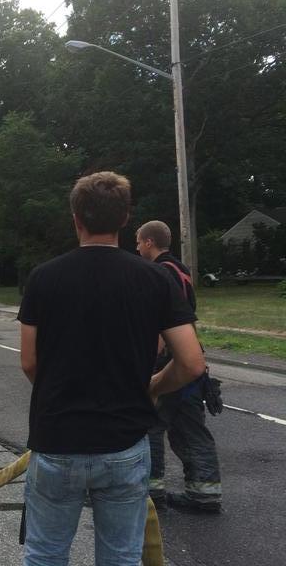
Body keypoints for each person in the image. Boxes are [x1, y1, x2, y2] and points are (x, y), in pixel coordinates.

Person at [17, 171, 206, 565]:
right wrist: (152, 386)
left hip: (57, 439)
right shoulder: (155, 279)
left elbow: (30, 362)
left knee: (45, 553)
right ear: (124, 219)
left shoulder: (43, 278)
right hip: (124, 442)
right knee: (121, 556)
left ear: (76, 219)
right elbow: (191, 362)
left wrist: (57, 390)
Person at [136, 220, 223, 513]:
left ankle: (152, 492)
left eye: (138, 242)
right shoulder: (181, 269)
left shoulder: (159, 273)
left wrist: (152, 365)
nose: (136, 248)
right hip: (189, 357)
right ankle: (204, 493)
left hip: (171, 360)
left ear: (149, 242)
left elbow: (162, 322)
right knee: (189, 426)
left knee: (152, 424)